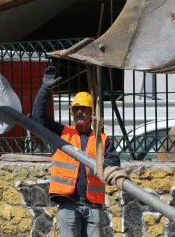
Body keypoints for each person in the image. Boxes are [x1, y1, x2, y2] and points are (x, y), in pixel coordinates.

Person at [32, 67, 120, 237]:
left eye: (84, 109)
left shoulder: (102, 139)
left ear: (91, 112)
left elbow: (114, 162)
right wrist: (45, 89)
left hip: (93, 204)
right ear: (72, 112)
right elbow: (38, 118)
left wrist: (103, 166)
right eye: (76, 109)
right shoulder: (61, 133)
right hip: (68, 204)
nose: (79, 112)